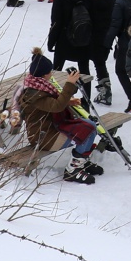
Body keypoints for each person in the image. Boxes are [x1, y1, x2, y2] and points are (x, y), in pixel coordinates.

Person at [17, 50, 99, 184]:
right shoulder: (33, 93)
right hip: (43, 137)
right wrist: (70, 84)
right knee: (88, 131)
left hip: (51, 129)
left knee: (89, 125)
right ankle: (73, 170)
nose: (51, 74)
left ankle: (81, 162)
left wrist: (68, 101)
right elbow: (56, 106)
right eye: (50, 72)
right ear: (44, 74)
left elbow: (50, 105)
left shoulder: (36, 86)